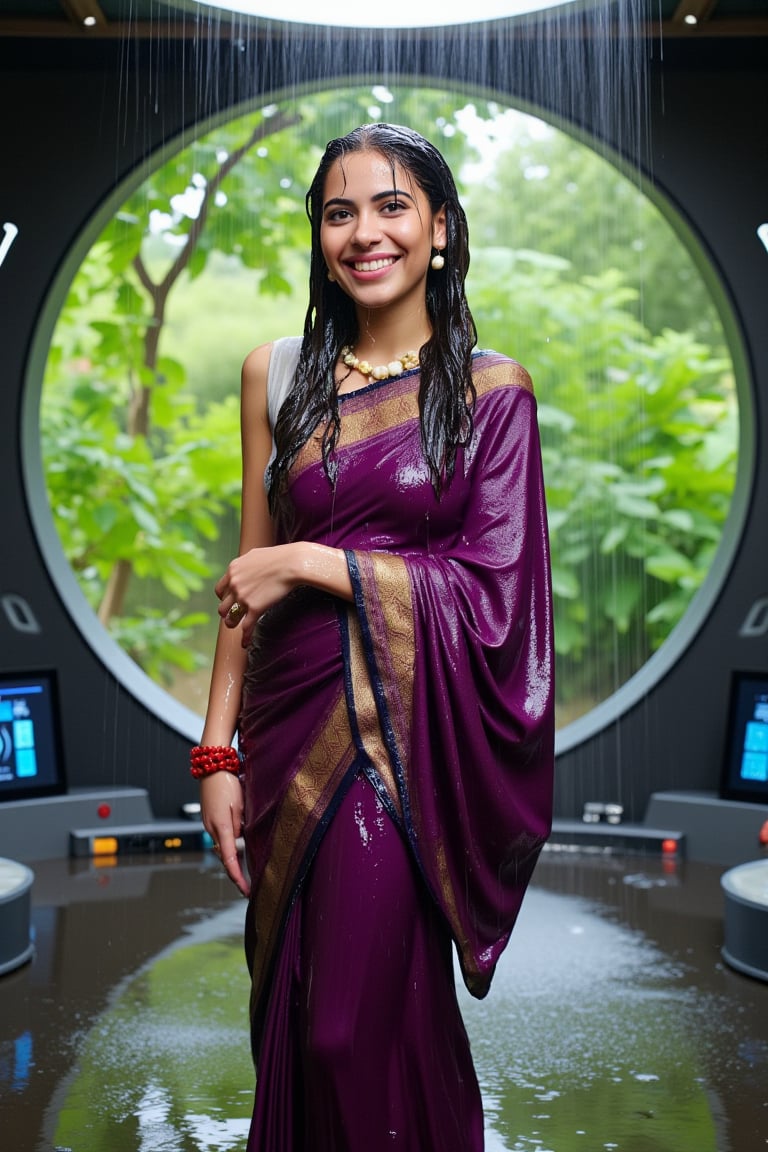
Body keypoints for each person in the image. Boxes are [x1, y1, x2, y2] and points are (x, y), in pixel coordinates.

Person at [195, 122, 555, 1152]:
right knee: (298, 1016)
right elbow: (242, 586)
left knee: (352, 1030)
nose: (365, 233)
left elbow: (499, 595)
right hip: (283, 725)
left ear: (440, 228)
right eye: (338, 211)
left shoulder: (493, 392)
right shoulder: (277, 372)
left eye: (392, 207)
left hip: (406, 742)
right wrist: (216, 752)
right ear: (318, 234)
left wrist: (320, 564)